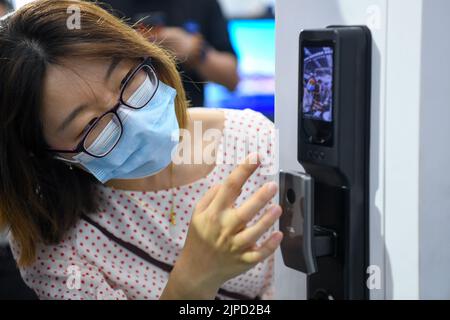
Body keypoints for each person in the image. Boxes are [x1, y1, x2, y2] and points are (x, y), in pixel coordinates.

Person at [0, 0, 281, 300]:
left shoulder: (251, 139)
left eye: (127, 81)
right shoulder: (53, 243)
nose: (136, 122)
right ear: (42, 153)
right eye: (92, 125)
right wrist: (191, 282)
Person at [100, 0, 239, 108]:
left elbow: (232, 79)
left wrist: (196, 51)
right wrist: (126, 47)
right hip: (120, 125)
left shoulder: (202, 3)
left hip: (187, 124)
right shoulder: (99, 5)